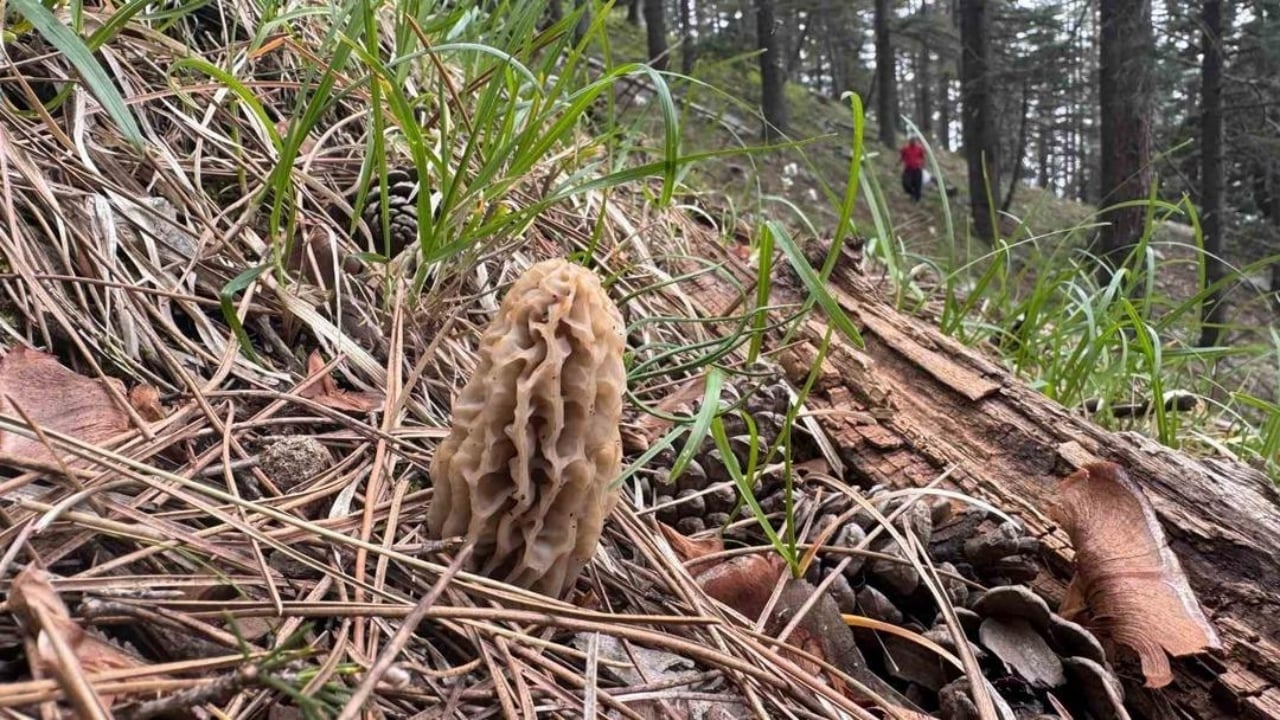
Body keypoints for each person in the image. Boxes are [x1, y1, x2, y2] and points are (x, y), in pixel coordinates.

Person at [899, 136, 925, 203]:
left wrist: (922, 165)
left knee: (917, 185)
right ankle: (912, 193)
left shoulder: (919, 148)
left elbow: (922, 157)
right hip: (908, 169)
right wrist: (898, 163)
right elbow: (902, 156)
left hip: (917, 169)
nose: (913, 142)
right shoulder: (905, 149)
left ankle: (916, 199)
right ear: (909, 141)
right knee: (906, 183)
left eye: (914, 141)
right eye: (911, 141)